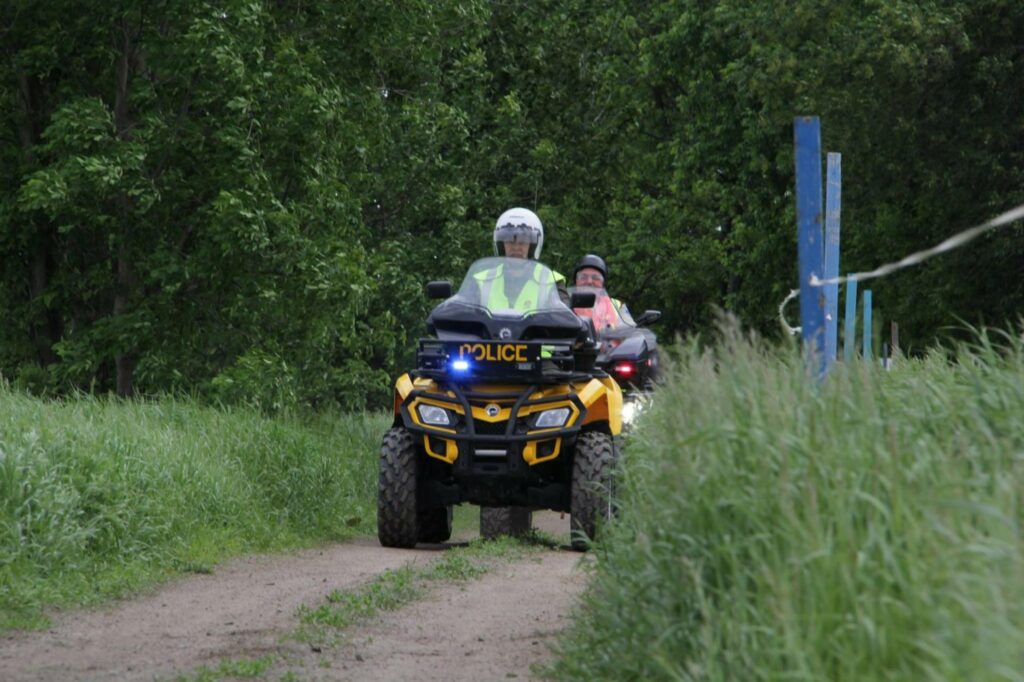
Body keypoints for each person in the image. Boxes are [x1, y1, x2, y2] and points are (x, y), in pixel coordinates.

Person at [475, 207, 569, 311]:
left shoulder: (552, 282)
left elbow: (565, 318)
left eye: (523, 241)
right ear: (501, 245)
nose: (516, 247)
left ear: (532, 246)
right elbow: (462, 312)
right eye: (510, 241)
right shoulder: (482, 281)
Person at [571, 254, 625, 331]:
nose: (589, 281)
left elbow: (631, 333)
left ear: (603, 284)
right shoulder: (565, 305)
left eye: (595, 278)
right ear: (576, 281)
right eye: (583, 277)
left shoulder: (617, 306)